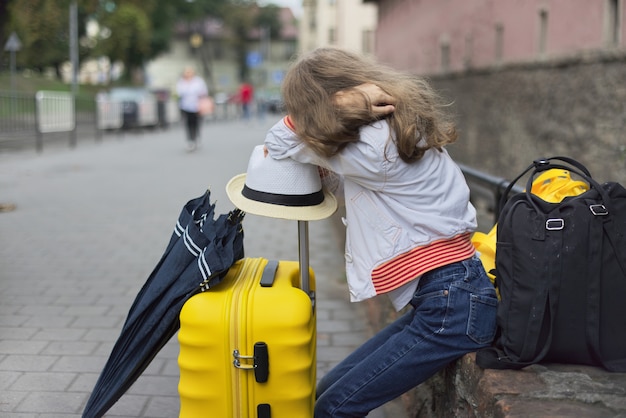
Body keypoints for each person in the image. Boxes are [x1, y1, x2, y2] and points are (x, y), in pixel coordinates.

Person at [263, 47, 498, 417]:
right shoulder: (383, 133)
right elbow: (358, 191)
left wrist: (345, 103)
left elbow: (279, 140)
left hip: (452, 305)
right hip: (450, 296)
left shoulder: (376, 145)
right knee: (325, 395)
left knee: (333, 409)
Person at [176, 67, 208, 151]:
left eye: (189, 72)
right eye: (186, 72)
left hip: (197, 106)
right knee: (188, 123)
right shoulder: (181, 82)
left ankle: (196, 138)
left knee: (196, 122)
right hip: (185, 106)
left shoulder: (198, 81)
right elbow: (179, 92)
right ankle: (190, 140)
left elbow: (204, 92)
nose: (188, 74)